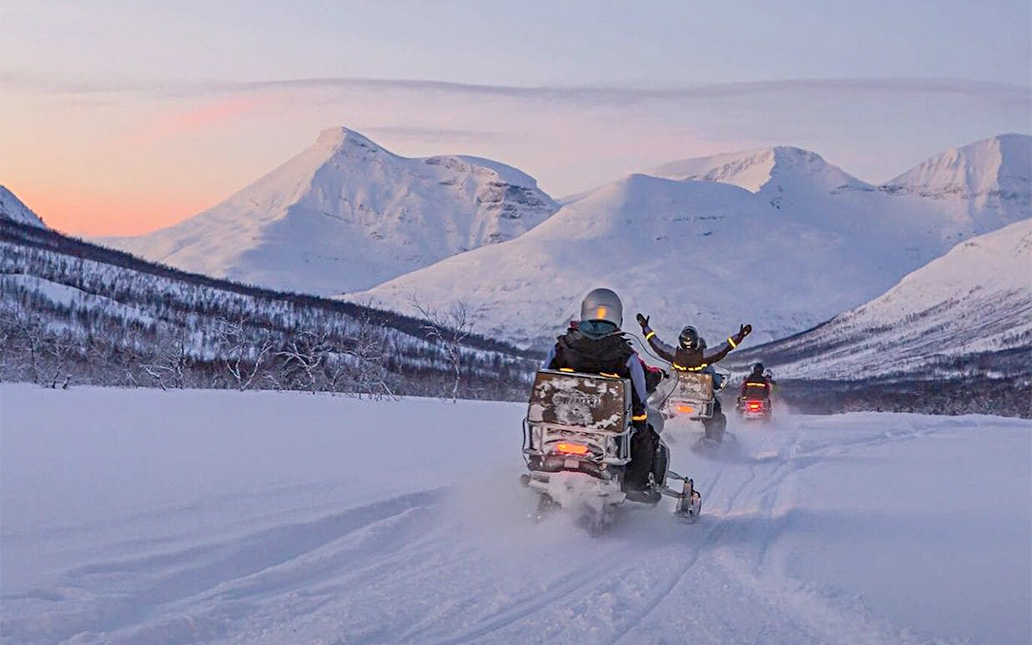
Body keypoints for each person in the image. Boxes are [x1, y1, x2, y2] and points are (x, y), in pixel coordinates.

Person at [543, 288, 662, 500]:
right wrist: (640, 419)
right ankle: (636, 487)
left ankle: (541, 467)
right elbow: (639, 395)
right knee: (645, 437)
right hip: (607, 427)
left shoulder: (562, 347)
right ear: (617, 316)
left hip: (563, 421)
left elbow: (545, 382)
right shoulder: (625, 354)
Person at [635, 313, 751, 440]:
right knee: (716, 412)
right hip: (699, 397)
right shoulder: (703, 356)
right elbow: (723, 348)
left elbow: (657, 345)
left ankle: (654, 434)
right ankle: (713, 440)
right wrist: (739, 336)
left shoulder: (674, 355)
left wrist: (645, 328)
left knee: (656, 405)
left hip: (677, 395)